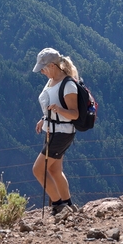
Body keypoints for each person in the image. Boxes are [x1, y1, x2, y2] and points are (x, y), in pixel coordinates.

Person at [31, 47, 80, 215]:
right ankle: (68, 204)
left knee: (38, 170)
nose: (42, 72)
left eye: (43, 69)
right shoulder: (52, 80)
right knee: (54, 170)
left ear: (52, 66)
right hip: (53, 130)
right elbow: (51, 104)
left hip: (62, 134)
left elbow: (74, 114)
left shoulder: (69, 85)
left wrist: (58, 110)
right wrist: (45, 118)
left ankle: (59, 206)